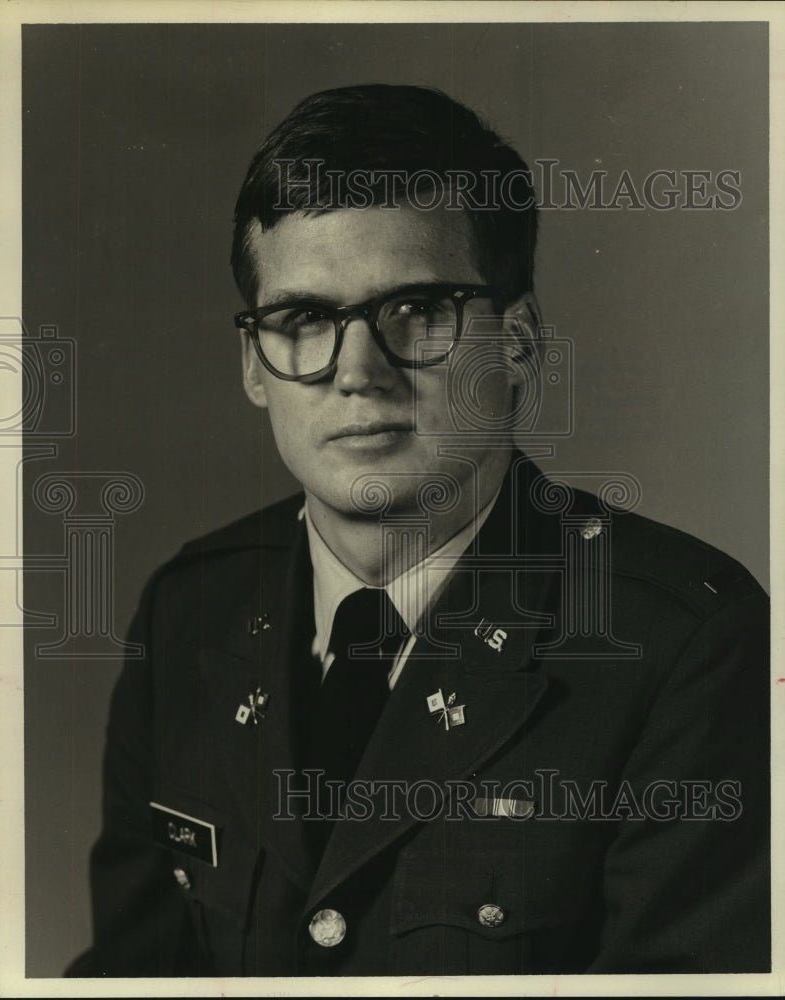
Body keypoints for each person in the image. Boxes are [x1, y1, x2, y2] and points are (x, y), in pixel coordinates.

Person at [67, 84, 769, 978]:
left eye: (417, 311)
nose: (356, 372)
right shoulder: (190, 610)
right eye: (303, 321)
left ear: (516, 344)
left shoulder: (680, 645)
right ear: (256, 364)